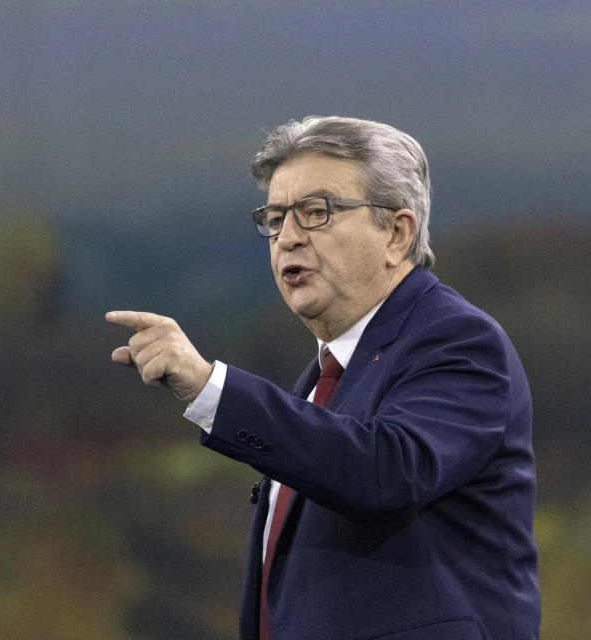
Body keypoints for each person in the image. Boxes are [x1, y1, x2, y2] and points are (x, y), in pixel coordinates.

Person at [106, 116, 540, 640]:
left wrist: (209, 386)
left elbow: (386, 469)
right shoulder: (322, 377)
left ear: (397, 234)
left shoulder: (458, 340)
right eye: (274, 218)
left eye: (316, 213)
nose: (287, 238)